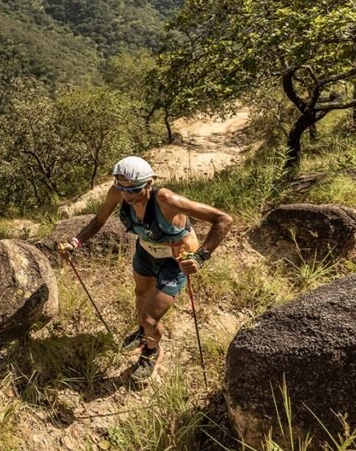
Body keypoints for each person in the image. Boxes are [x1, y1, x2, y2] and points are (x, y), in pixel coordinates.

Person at [59, 156, 233, 384]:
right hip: (146, 253)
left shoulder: (167, 200)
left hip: (175, 261)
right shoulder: (118, 193)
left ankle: (152, 353)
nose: (127, 195)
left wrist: (201, 257)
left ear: (149, 183)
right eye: (122, 189)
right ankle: (143, 334)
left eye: (134, 190)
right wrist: (76, 242)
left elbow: (223, 219)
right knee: (140, 295)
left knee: (150, 318)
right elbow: (99, 220)